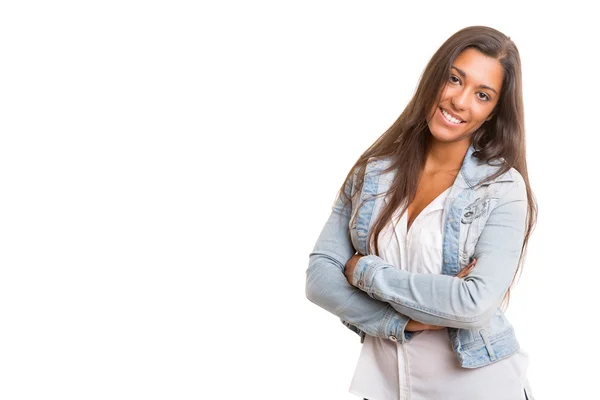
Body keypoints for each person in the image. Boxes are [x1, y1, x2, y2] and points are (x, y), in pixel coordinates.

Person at [305, 26, 537, 400]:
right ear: (434, 78)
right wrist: (400, 320)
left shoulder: (502, 189)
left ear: (494, 112)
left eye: (482, 94)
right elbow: (319, 278)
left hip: (478, 389)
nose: (460, 101)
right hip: (384, 388)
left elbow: (472, 305)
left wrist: (363, 271)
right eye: (454, 79)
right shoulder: (373, 173)